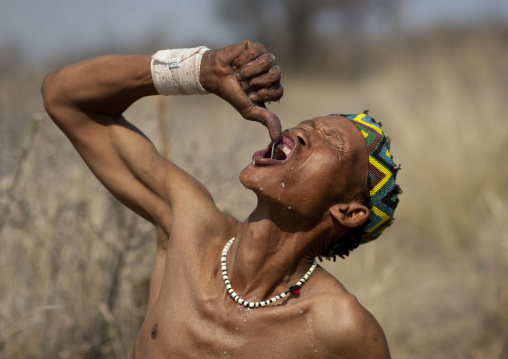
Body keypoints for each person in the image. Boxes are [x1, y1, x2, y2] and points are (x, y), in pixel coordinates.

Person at [42, 40, 400, 358]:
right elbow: (63, 97)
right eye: (307, 124)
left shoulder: (338, 327)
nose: (302, 132)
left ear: (348, 212)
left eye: (331, 142)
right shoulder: (188, 226)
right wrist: (199, 70)